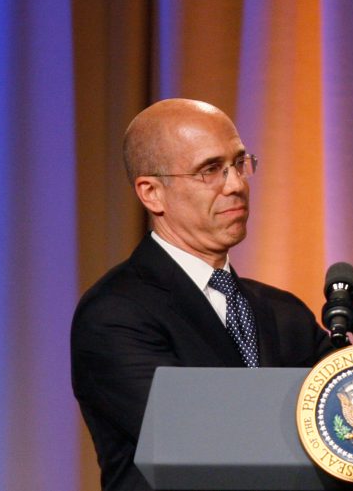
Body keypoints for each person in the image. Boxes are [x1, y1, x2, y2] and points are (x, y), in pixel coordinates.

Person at [71, 98, 332, 491]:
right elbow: (196, 437)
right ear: (151, 193)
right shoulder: (114, 313)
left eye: (239, 164)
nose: (236, 185)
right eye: (210, 171)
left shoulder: (284, 312)